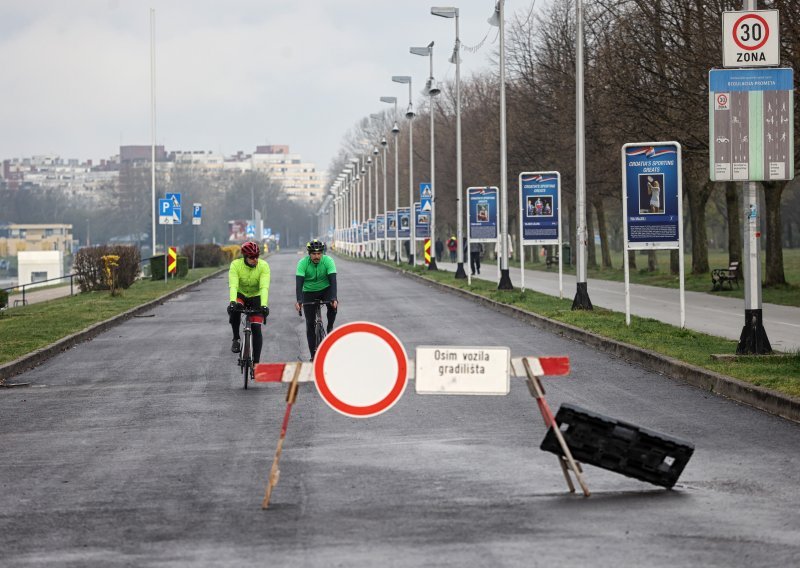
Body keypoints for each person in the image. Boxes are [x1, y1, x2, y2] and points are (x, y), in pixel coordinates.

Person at [227, 241, 271, 363]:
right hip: (241, 294)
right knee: (235, 309)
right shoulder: (236, 265)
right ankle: (236, 338)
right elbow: (233, 285)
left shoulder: (263, 266)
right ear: (245, 257)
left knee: (256, 327)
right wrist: (232, 302)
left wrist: (264, 305)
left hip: (256, 296)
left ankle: (256, 362)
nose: (255, 259)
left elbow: (264, 287)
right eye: (252, 257)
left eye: (257, 256)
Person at [295, 239, 338, 361]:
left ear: (322, 253)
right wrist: (299, 301)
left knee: (333, 305)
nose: (316, 256)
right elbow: (299, 284)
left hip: (326, 289)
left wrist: (333, 298)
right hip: (308, 292)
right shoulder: (302, 263)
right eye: (314, 253)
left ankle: (330, 327)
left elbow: (333, 281)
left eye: (319, 253)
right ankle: (313, 354)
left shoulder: (328, 261)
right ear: (309, 253)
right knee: (310, 324)